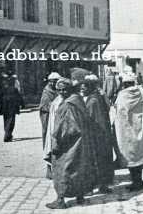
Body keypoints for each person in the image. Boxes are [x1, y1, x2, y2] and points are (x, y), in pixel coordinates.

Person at [46, 78, 93, 209]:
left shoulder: (67, 104)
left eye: (64, 89)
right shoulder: (78, 100)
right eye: (59, 89)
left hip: (69, 143)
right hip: (81, 141)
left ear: (70, 89)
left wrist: (56, 142)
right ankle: (80, 196)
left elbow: (67, 128)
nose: (62, 92)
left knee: (63, 169)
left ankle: (60, 200)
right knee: (79, 168)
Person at [114, 71, 143, 191]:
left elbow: (118, 111)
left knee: (131, 155)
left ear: (124, 83)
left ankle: (136, 182)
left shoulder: (122, 95)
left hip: (128, 130)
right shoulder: (142, 92)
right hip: (142, 127)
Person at [81, 74, 115, 194]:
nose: (82, 90)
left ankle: (93, 187)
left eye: (84, 88)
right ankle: (102, 185)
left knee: (94, 161)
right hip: (102, 134)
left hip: (96, 136)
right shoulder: (97, 97)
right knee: (101, 161)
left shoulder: (92, 101)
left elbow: (90, 119)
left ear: (89, 88)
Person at [0, 74, 24, 142]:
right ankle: (7, 136)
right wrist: (22, 105)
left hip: (5, 109)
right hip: (12, 109)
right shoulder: (14, 89)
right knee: (11, 122)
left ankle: (8, 134)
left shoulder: (4, 89)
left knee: (6, 121)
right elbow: (19, 98)